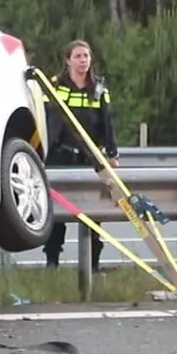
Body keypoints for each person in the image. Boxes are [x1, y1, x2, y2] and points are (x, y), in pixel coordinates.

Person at [41, 40, 119, 272]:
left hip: (90, 159)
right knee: (57, 215)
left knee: (94, 214)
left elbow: (107, 122)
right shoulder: (55, 86)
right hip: (60, 158)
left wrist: (111, 153)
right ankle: (52, 263)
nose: (83, 60)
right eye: (78, 56)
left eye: (86, 56)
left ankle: (92, 265)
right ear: (68, 61)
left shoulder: (98, 89)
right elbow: (46, 122)